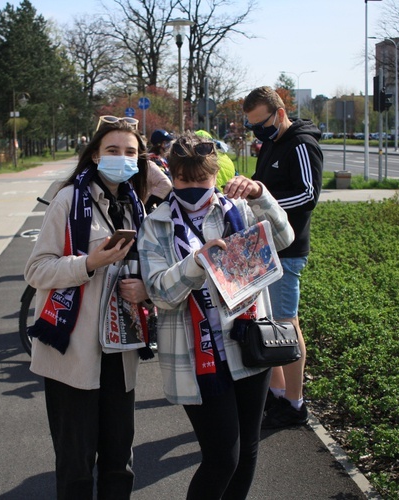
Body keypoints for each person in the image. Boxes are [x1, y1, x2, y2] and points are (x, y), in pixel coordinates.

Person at [138, 132, 294, 499]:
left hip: (248, 344)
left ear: (215, 175)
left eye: (201, 179)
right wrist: (197, 262)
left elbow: (285, 238)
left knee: (248, 451)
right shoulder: (156, 225)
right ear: (172, 176)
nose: (192, 187)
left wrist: (260, 194)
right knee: (223, 456)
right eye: (183, 179)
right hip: (197, 357)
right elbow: (160, 293)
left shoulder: (236, 208)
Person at [24, 115, 150, 500]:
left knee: (118, 463)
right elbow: (36, 270)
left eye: (131, 152)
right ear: (95, 155)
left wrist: (144, 288)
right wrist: (87, 264)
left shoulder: (135, 205)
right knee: (76, 467)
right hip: (73, 352)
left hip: (119, 349)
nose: (122, 158)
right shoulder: (67, 199)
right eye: (112, 150)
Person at [243, 86, 323, 429]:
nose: (257, 132)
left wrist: (261, 202)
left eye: (261, 123)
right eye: (251, 127)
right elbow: (264, 186)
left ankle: (295, 402)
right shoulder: (272, 142)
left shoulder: (302, 144)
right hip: (265, 247)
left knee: (286, 324)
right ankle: (277, 395)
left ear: (279, 112)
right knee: (268, 324)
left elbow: (307, 194)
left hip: (288, 250)